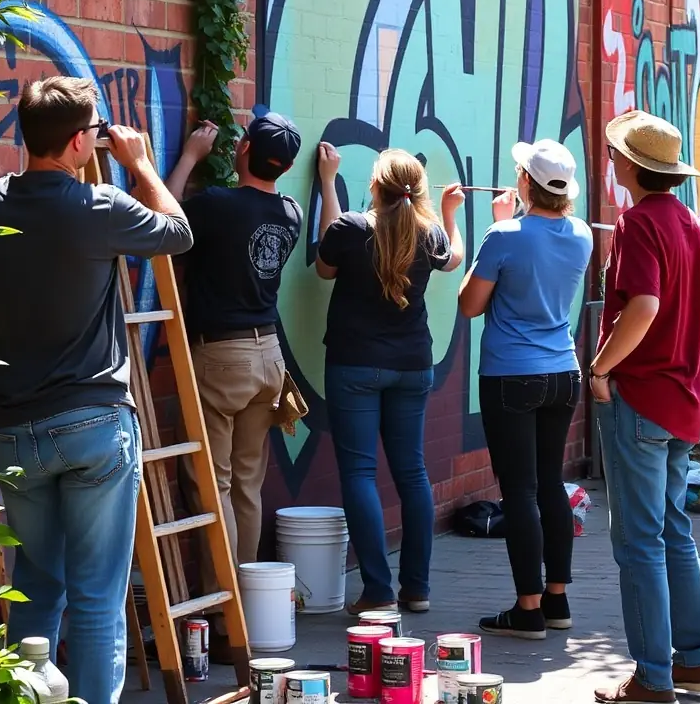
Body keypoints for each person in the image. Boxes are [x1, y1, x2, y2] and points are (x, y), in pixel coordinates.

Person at [0, 77, 193, 704]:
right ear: (74, 142)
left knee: (36, 591)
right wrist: (141, 163)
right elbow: (178, 234)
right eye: (92, 132)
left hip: (16, 427)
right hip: (94, 424)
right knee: (96, 599)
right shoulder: (100, 207)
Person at [590, 110, 700, 704]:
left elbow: (643, 305)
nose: (611, 160)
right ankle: (692, 663)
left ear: (633, 166)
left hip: (642, 398)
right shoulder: (694, 224)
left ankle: (652, 678)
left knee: (639, 541)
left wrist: (601, 368)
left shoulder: (638, 223)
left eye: (617, 153)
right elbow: (697, 305)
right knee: (673, 533)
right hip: (682, 400)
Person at [166, 108, 302, 644]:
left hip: (220, 359)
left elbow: (167, 215)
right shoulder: (289, 212)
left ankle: (222, 616)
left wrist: (190, 157)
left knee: (213, 483)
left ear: (242, 150)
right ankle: (247, 607)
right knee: (247, 485)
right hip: (269, 356)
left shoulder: (217, 206)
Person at [315, 144, 464, 614]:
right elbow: (455, 257)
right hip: (413, 365)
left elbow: (324, 266)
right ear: (417, 192)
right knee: (412, 472)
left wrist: (326, 184)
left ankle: (377, 590)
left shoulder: (350, 228)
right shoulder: (431, 235)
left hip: (354, 365)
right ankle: (416, 589)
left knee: (359, 473)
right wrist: (449, 212)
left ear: (374, 188)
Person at [458, 139, 592, 640]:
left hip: (511, 375)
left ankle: (527, 609)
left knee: (519, 491)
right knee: (550, 483)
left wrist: (499, 226)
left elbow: (470, 305)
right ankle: (557, 600)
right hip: (563, 373)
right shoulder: (580, 233)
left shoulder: (503, 234)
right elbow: (539, 247)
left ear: (525, 183)